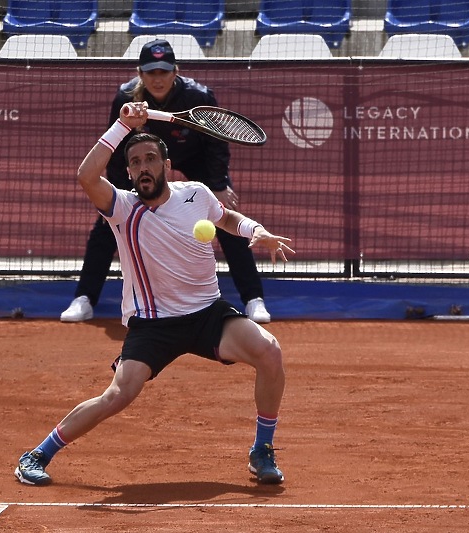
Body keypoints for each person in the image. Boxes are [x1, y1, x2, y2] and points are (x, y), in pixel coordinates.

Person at [15, 103, 294, 487]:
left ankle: (262, 450)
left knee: (270, 351)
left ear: (165, 164)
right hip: (154, 326)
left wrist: (255, 230)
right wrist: (121, 126)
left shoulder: (195, 193)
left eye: (150, 159)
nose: (143, 166)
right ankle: (37, 454)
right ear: (128, 172)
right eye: (135, 162)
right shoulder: (122, 208)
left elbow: (225, 218)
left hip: (207, 315)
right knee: (118, 395)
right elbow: (85, 175)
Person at [61, 38, 272, 324]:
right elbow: (116, 154)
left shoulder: (199, 96)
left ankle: (253, 299)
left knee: (220, 217)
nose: (157, 79)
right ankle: (84, 298)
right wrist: (116, 197)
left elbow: (216, 145)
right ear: (140, 74)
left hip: (194, 157)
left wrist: (219, 185)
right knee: (107, 224)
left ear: (175, 72)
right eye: (151, 73)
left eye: (163, 72)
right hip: (145, 159)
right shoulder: (125, 99)